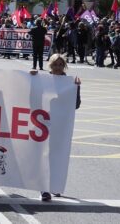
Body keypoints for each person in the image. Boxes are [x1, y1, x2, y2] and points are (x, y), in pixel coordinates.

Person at [30, 54, 81, 202]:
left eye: (60, 65)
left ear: (64, 66)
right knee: (44, 156)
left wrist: (76, 88)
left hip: (60, 127)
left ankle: (55, 185)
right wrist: (31, 77)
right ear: (50, 66)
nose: (57, 67)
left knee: (58, 157)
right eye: (54, 65)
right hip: (44, 125)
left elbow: (75, 105)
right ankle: (44, 189)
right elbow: (33, 97)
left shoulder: (69, 83)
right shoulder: (43, 81)